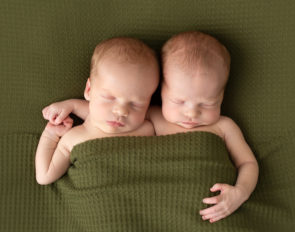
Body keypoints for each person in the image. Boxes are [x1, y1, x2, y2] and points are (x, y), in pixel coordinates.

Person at [42, 31, 259, 224]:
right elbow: (108, 116)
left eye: (207, 104)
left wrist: (241, 192)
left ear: (221, 96)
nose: (192, 114)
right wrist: (69, 107)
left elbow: (248, 162)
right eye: (179, 101)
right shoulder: (152, 116)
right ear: (161, 94)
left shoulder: (224, 126)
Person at [35, 37, 159, 185]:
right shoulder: (74, 138)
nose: (121, 111)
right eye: (109, 98)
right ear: (89, 90)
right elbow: (44, 176)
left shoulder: (149, 126)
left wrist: (73, 105)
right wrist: (50, 135)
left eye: (135, 104)